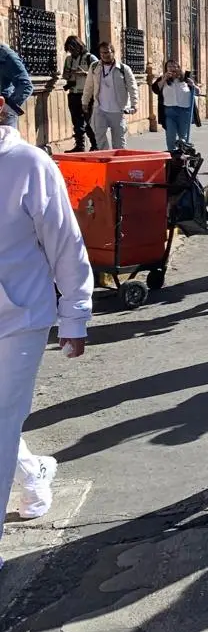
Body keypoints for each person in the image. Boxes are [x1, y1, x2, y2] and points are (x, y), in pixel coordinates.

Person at [0, 98, 93, 554]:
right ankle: (33, 475)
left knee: (0, 419)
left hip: (19, 315)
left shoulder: (27, 164)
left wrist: (74, 313)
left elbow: (64, 240)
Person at [82, 42, 138, 149]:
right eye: (102, 53)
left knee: (119, 141)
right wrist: (85, 101)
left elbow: (132, 87)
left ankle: (119, 163)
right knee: (99, 136)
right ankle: (105, 159)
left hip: (118, 109)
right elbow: (88, 86)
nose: (104, 55)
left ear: (113, 52)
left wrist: (134, 104)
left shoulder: (123, 69)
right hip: (100, 108)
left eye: (107, 52)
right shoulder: (94, 67)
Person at [151, 59, 197, 151]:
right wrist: (164, 79)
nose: (172, 69)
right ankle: (172, 158)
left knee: (183, 138)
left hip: (184, 111)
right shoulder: (162, 79)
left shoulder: (186, 78)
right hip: (169, 112)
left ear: (178, 68)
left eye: (174, 66)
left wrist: (193, 85)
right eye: (170, 66)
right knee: (170, 136)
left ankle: (183, 158)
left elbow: (197, 91)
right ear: (166, 69)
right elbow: (156, 89)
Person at [62, 36, 99, 151]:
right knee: (77, 122)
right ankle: (79, 145)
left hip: (87, 95)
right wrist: (69, 74)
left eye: (74, 48)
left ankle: (95, 145)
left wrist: (85, 73)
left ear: (80, 46)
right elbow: (64, 75)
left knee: (89, 121)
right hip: (74, 93)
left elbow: (99, 74)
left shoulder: (90, 58)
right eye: (70, 49)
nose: (72, 51)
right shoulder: (69, 60)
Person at [0, 43, 33, 129]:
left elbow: (26, 86)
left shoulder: (7, 56)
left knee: (6, 142)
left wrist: (6, 108)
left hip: (4, 117)